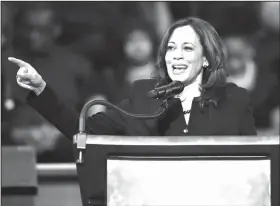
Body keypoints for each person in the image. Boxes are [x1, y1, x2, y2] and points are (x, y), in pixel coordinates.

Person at [8, 17, 257, 139]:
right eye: (171, 48)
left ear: (206, 58)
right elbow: (84, 131)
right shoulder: (145, 96)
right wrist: (41, 88)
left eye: (188, 48)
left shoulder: (234, 99)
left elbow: (253, 166)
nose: (176, 56)